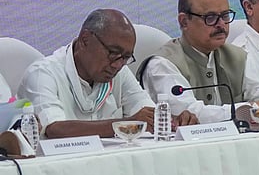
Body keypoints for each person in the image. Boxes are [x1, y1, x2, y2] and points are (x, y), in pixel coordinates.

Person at [18, 9, 196, 139]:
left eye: (126, 57)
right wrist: (125, 125)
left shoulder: (119, 71)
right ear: (85, 40)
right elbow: (54, 129)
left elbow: (145, 113)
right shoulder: (43, 73)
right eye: (113, 53)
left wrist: (174, 121)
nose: (118, 64)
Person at [140, 0, 259, 123]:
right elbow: (188, 113)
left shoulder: (238, 56)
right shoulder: (162, 64)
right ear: (184, 21)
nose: (221, 24)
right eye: (211, 17)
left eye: (225, 16)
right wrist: (256, 107)